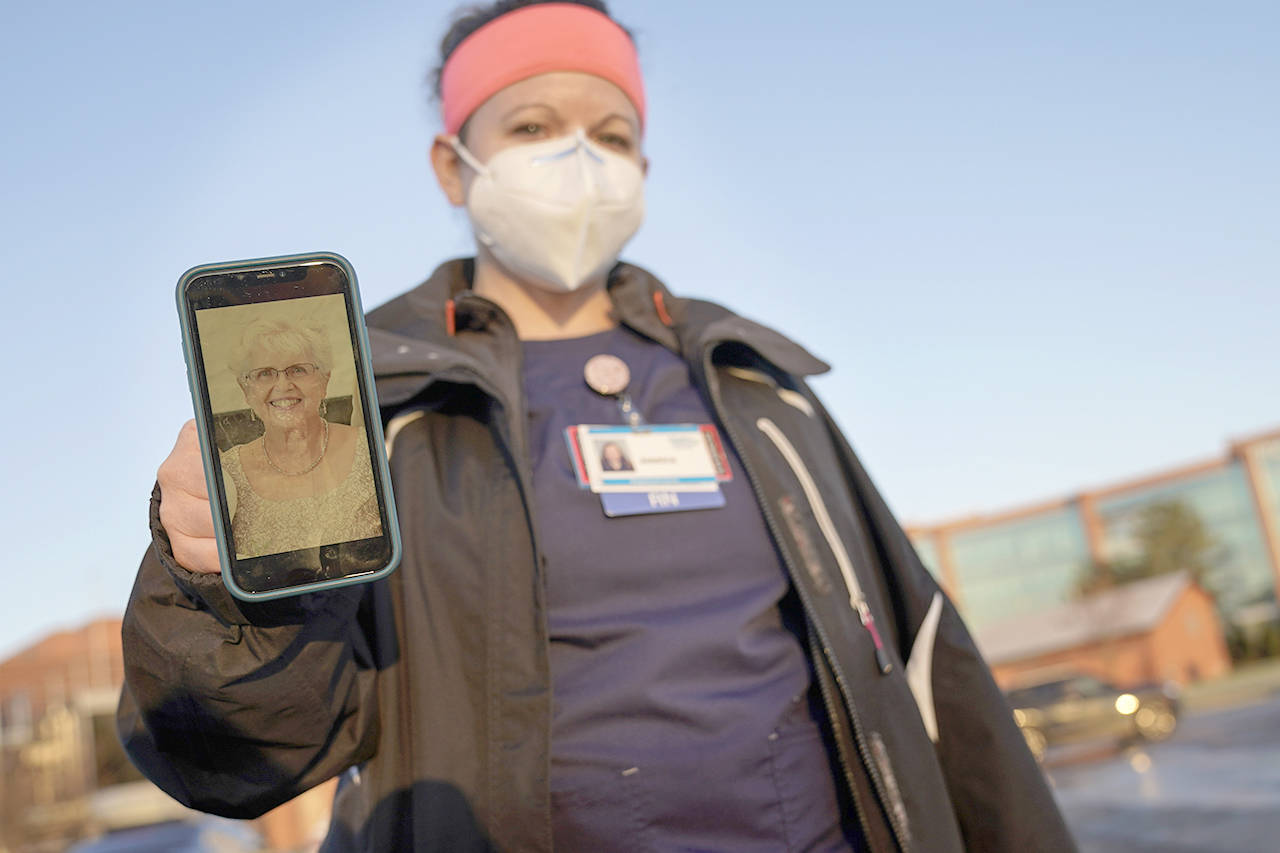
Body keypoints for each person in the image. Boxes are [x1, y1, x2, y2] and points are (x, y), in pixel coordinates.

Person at [117, 2, 1078, 851]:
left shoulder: (760, 388)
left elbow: (932, 675)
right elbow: (238, 759)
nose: (580, 158)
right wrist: (213, 587)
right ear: (455, 167)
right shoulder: (377, 415)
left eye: (610, 135)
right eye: (532, 125)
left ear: (642, 167)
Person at [219, 318, 381, 559]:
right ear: (247, 390)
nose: (283, 385)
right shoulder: (226, 473)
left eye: (298, 370)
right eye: (265, 374)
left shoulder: (371, 448)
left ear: (323, 381)